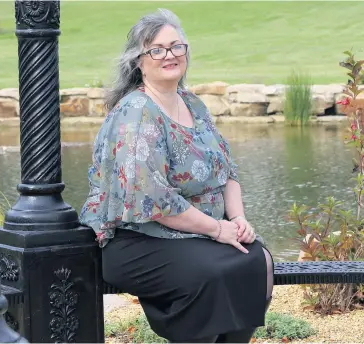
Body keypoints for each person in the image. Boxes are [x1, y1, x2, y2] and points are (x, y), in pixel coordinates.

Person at [79, 8, 274, 343]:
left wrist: (238, 219)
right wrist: (217, 229)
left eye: (176, 46)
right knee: (214, 272)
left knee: (259, 260)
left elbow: (227, 169)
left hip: (199, 233)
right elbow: (154, 199)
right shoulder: (136, 114)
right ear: (139, 61)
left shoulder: (192, 103)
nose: (169, 55)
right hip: (137, 239)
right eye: (156, 49)